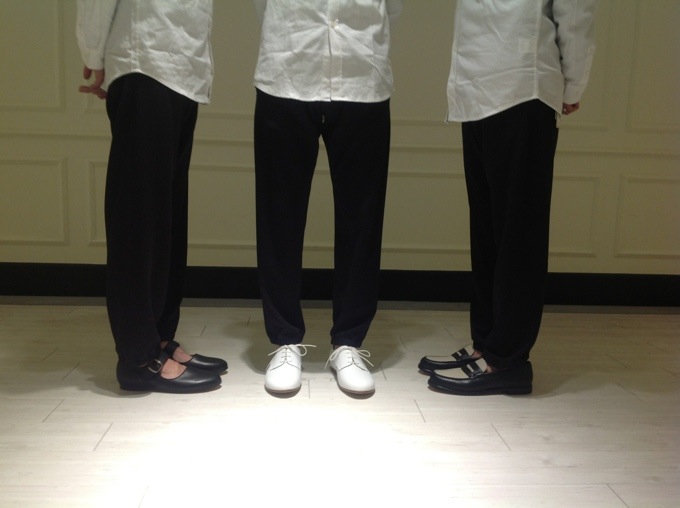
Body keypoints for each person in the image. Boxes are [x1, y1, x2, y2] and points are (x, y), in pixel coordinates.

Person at [420, 0, 598, 395]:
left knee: (518, 233)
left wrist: (573, 84)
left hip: (524, 86)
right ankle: (486, 344)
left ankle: (508, 360)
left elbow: (576, 11)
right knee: (487, 230)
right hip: (476, 87)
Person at [76, 0, 227, 393]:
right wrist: (94, 54)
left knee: (166, 220)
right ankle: (138, 359)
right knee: (139, 221)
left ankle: (158, 340)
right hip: (144, 59)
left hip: (182, 70)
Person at [253, 0, 402, 395]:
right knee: (278, 216)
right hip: (286, 69)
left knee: (362, 219)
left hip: (362, 74)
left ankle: (349, 343)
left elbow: (391, 7)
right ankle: (285, 341)